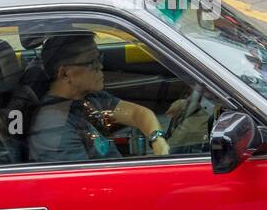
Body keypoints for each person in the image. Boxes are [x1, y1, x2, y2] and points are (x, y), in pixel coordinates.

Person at [27, 31, 171, 163]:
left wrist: (157, 139)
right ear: (64, 74)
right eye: (92, 63)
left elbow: (136, 114)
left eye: (99, 58)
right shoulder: (55, 131)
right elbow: (84, 185)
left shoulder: (87, 97)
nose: (100, 66)